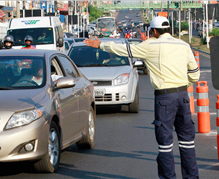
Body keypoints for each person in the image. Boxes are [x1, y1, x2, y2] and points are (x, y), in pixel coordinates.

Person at [84, 16, 200, 179]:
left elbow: (124, 49)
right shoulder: (183, 45)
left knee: (166, 145)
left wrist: (101, 45)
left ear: (153, 31)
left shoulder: (150, 45)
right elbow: (195, 75)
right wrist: (183, 84)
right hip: (183, 96)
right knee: (187, 143)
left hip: (165, 98)